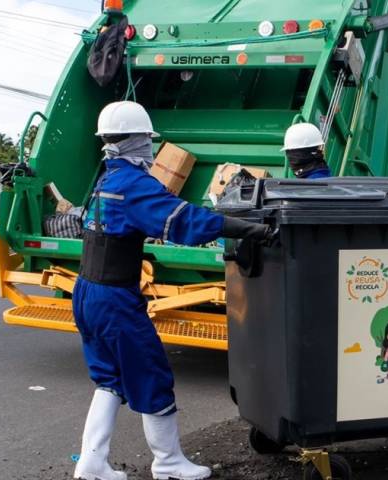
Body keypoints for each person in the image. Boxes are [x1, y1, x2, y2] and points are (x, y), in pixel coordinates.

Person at [72, 101, 272, 480]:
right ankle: (167, 462)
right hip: (115, 299)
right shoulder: (134, 185)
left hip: (87, 292)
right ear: (134, 141)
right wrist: (249, 228)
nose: (150, 148)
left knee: (109, 378)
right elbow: (185, 221)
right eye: (147, 140)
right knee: (151, 374)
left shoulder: (106, 180)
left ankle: (92, 462)